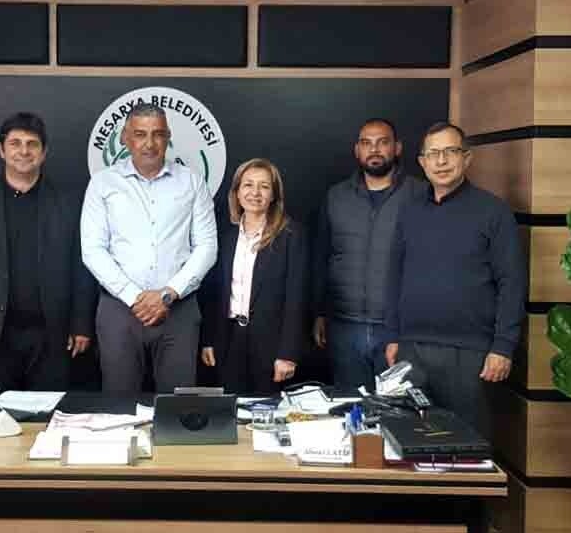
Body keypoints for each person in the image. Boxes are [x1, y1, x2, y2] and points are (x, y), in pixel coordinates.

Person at [384, 121, 526, 440]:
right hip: (412, 350)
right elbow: (394, 276)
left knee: (468, 447)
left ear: (467, 158)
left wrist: (503, 346)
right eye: (433, 154)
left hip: (471, 354)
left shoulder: (493, 212)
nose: (441, 161)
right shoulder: (409, 211)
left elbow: (511, 283)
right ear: (422, 162)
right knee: (410, 442)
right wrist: (392, 336)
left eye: (450, 151)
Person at [0, 112, 96, 390]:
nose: (24, 151)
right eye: (15, 143)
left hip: (53, 335)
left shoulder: (69, 202)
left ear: (44, 152)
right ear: (1, 150)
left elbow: (82, 267)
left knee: (50, 411)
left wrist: (81, 323)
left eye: (32, 144)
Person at [80, 102, 218, 393]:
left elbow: (207, 246)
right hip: (119, 311)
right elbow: (93, 249)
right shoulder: (103, 184)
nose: (149, 143)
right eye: (140, 134)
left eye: (158, 134)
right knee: (118, 405)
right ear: (125, 138)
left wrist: (167, 294)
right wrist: (135, 298)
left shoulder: (192, 182)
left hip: (178, 310)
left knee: (178, 406)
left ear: (168, 137)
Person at [311, 118, 426, 393]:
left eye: (382, 142)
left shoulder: (420, 194)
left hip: (398, 328)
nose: (374, 150)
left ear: (397, 148)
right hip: (344, 326)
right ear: (357, 150)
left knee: (397, 408)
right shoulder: (336, 196)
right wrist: (319, 312)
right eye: (366, 143)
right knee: (351, 406)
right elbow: (322, 256)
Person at [200, 158, 307, 394]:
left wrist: (288, 354)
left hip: (271, 344)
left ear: (274, 195)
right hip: (228, 339)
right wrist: (208, 339)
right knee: (231, 409)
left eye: (264, 186)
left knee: (267, 410)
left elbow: (296, 298)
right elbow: (213, 293)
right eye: (248, 185)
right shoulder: (225, 236)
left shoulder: (291, 235)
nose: (255, 193)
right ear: (237, 192)